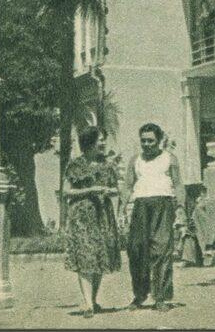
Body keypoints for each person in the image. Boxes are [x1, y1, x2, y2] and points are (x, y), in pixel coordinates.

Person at [123, 122, 186, 311]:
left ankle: (160, 296)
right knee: (137, 250)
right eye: (143, 141)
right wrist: (121, 208)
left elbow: (178, 185)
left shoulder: (170, 158)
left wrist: (180, 208)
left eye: (150, 141)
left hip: (163, 205)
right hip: (140, 206)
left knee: (161, 250)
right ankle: (140, 295)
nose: (146, 144)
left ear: (159, 140)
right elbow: (127, 186)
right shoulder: (135, 160)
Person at [61, 125, 121, 318]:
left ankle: (93, 300)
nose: (103, 143)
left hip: (102, 216)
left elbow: (116, 189)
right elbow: (66, 191)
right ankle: (87, 303)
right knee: (85, 256)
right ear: (90, 142)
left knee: (99, 257)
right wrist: (89, 190)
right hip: (81, 217)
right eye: (100, 139)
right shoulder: (75, 165)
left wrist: (108, 191)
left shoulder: (108, 165)